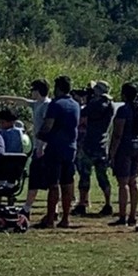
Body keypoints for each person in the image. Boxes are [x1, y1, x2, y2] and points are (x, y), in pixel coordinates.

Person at [0, 80, 49, 220]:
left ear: (37, 91)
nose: (31, 92)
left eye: (33, 90)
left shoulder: (47, 105)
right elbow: (23, 101)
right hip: (38, 145)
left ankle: (38, 208)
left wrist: (42, 145)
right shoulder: (36, 104)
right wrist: (5, 98)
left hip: (43, 145)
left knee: (45, 179)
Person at [35, 75, 82, 229]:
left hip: (55, 148)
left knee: (53, 184)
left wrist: (40, 135)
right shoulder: (75, 104)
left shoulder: (55, 104)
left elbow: (48, 125)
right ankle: (66, 218)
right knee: (67, 183)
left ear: (58, 88)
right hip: (70, 148)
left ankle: (50, 218)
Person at [107, 83, 138, 228]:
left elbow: (118, 134)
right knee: (133, 181)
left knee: (123, 183)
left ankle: (122, 216)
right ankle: (133, 216)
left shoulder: (123, 110)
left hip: (125, 147)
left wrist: (112, 152)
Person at [75, 81, 115, 217]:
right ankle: (108, 203)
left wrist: (86, 101)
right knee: (103, 176)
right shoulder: (110, 105)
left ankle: (82, 203)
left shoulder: (94, 105)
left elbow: (82, 114)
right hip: (103, 144)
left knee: (85, 175)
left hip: (89, 144)